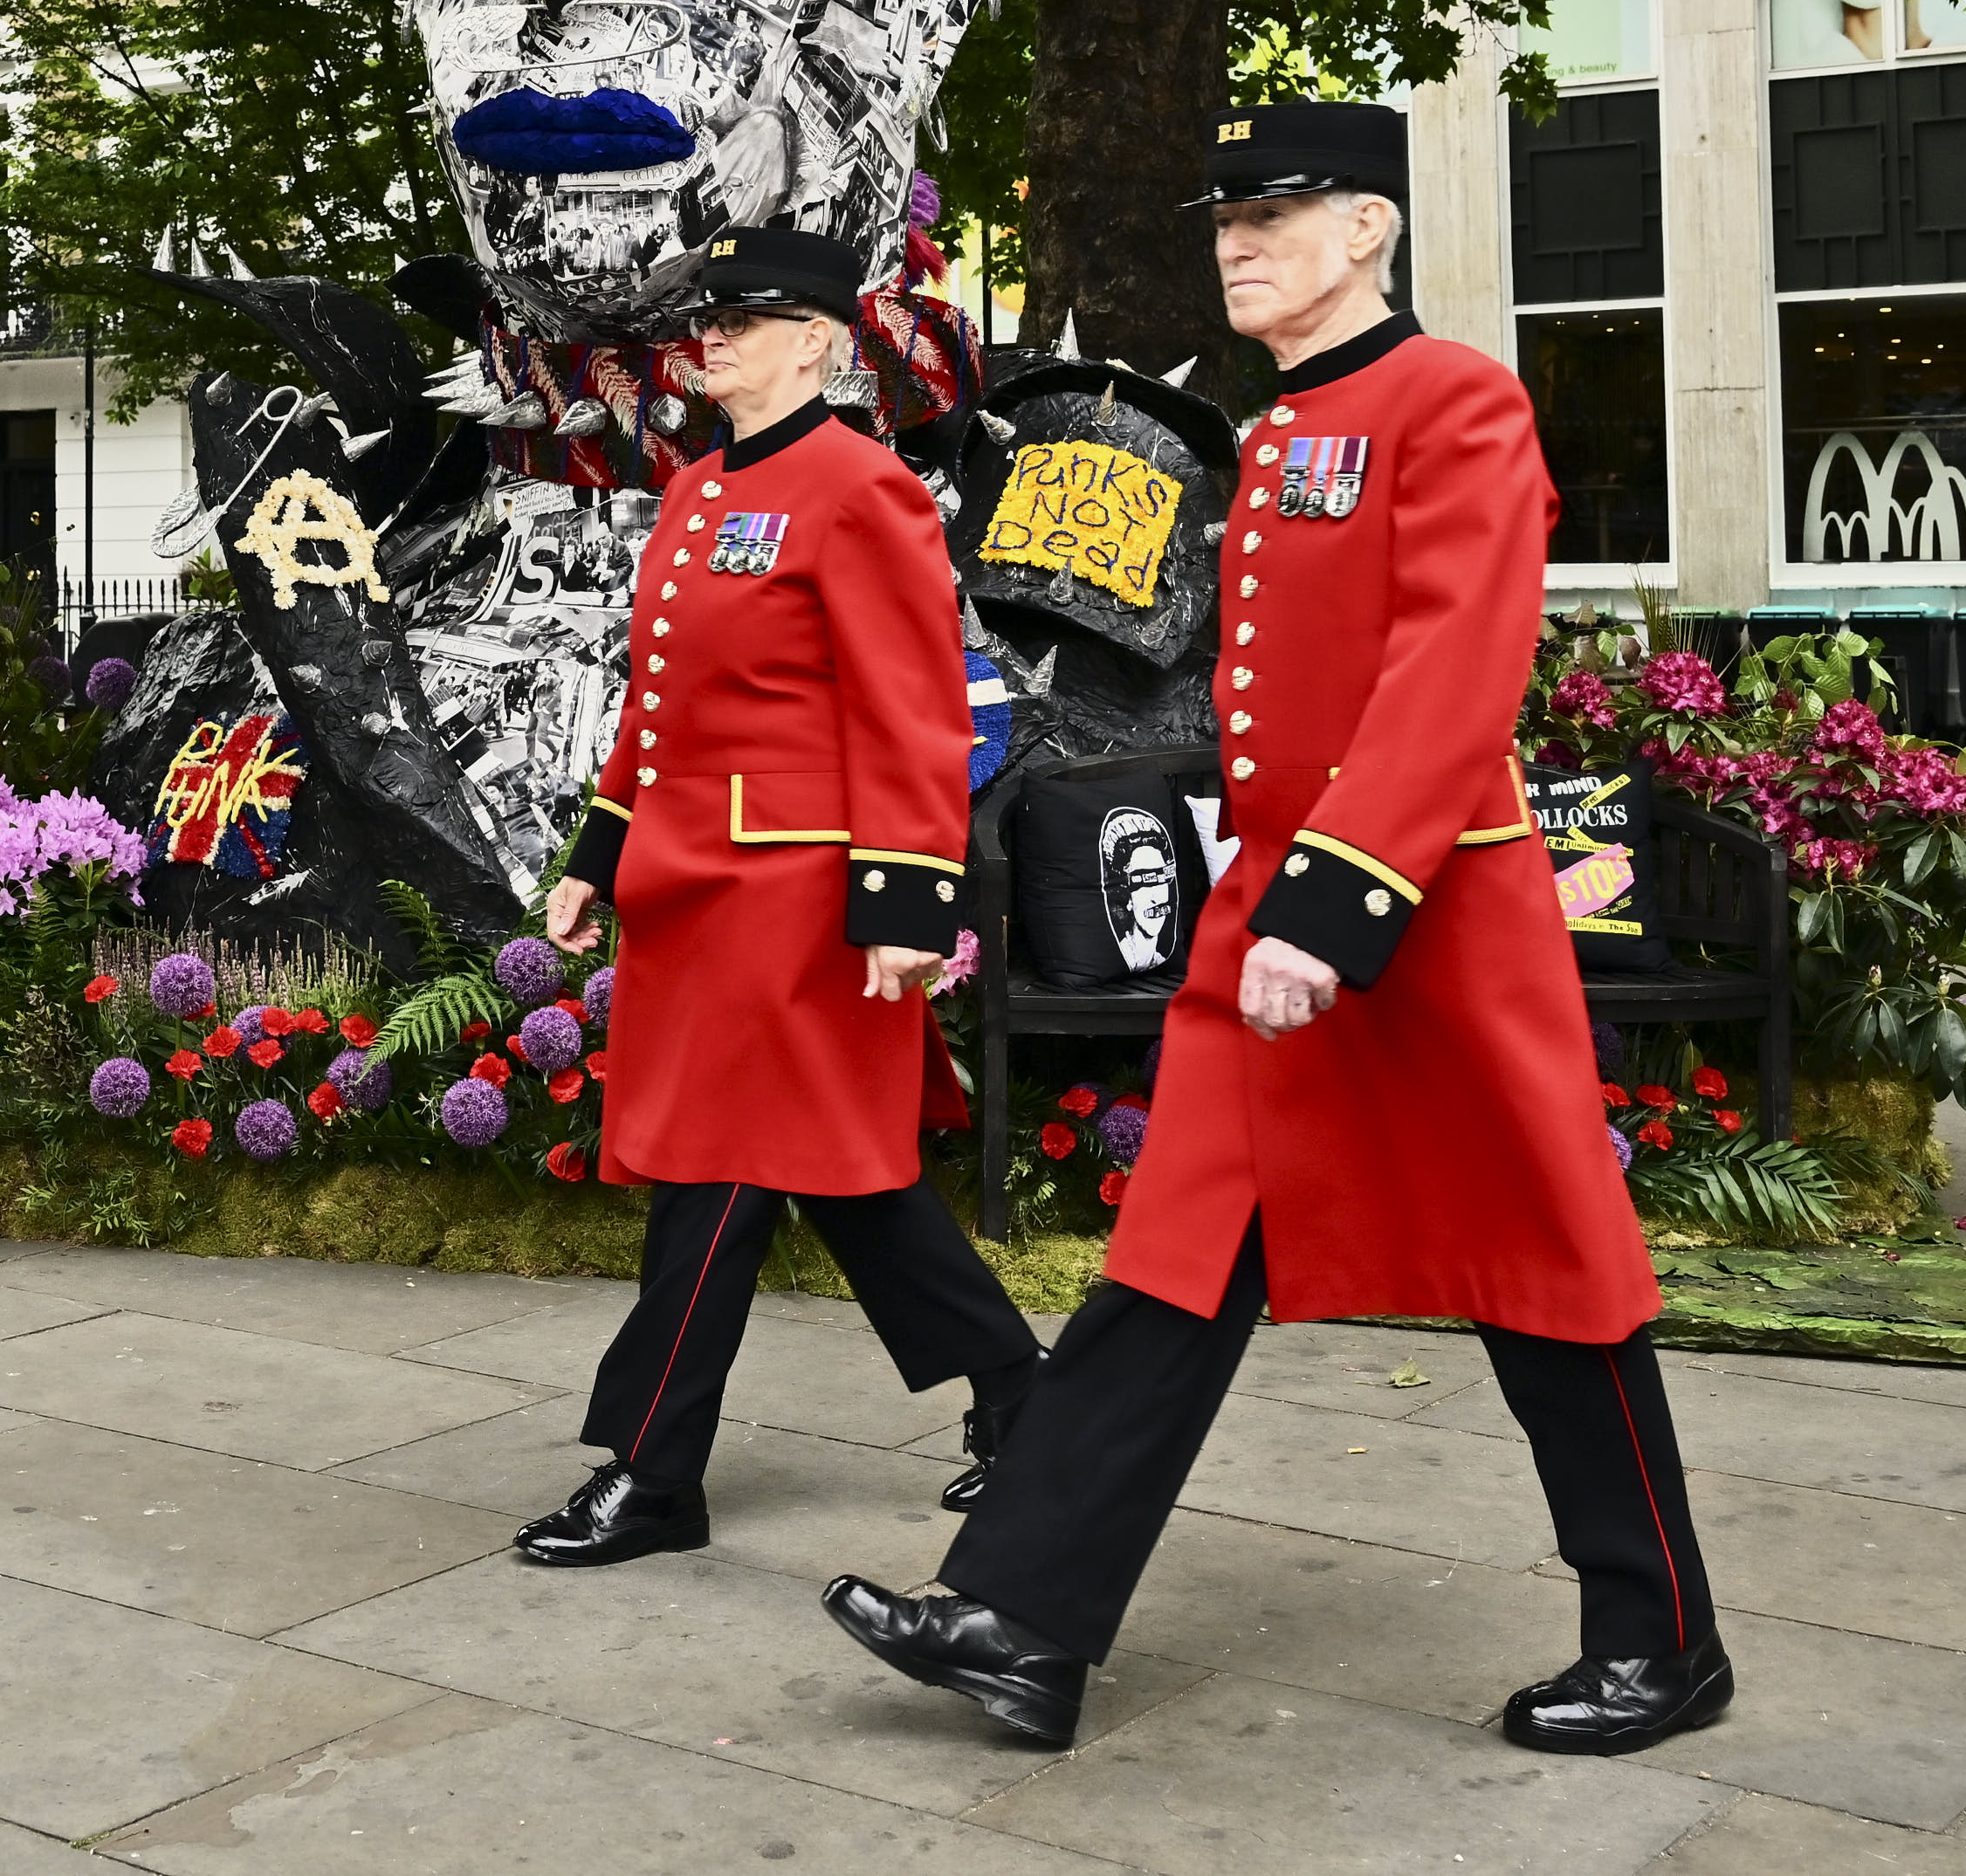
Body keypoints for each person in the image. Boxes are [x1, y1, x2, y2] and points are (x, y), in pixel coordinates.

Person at [822, 103, 1729, 1751]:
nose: (1236, 237)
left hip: (1426, 913)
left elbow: (1452, 671)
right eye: (1223, 213)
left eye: (1278, 209)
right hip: (1276, 915)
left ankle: (1660, 1640)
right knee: (1169, 1260)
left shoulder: (1451, 399)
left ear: (1370, 230)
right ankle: (1022, 1622)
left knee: (1544, 1277)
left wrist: (1335, 898)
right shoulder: (1286, 422)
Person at [514, 222, 1048, 1565]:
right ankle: (1026, 1397)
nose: (716, 337)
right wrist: (593, 859)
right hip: (694, 894)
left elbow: (913, 710)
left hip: (800, 898)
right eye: (709, 317)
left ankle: (652, 1471)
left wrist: (906, 904)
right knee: (844, 1180)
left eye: (747, 319)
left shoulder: (862, 489)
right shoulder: (695, 493)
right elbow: (657, 710)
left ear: (816, 341)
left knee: (719, 1175)